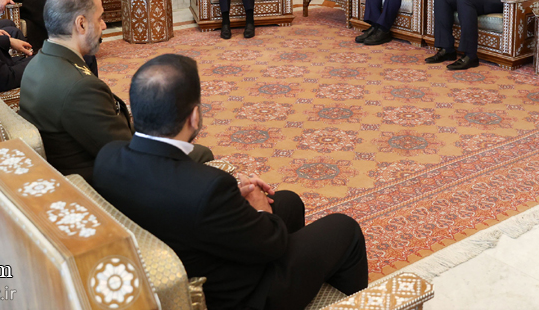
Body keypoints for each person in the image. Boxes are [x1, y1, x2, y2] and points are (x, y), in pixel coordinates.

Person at [94, 54, 368, 310]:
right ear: (194, 117)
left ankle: (304, 282)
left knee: (289, 201)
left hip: (186, 249)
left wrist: (228, 204)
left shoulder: (107, 158)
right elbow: (271, 242)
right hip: (238, 295)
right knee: (345, 228)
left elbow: (180, 199)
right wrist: (258, 209)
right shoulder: (207, 186)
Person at [19, 0, 213, 181]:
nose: (104, 26)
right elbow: (129, 156)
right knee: (201, 154)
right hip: (97, 181)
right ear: (81, 24)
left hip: (74, 162)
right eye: (100, 18)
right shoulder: (79, 87)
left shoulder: (38, 62)